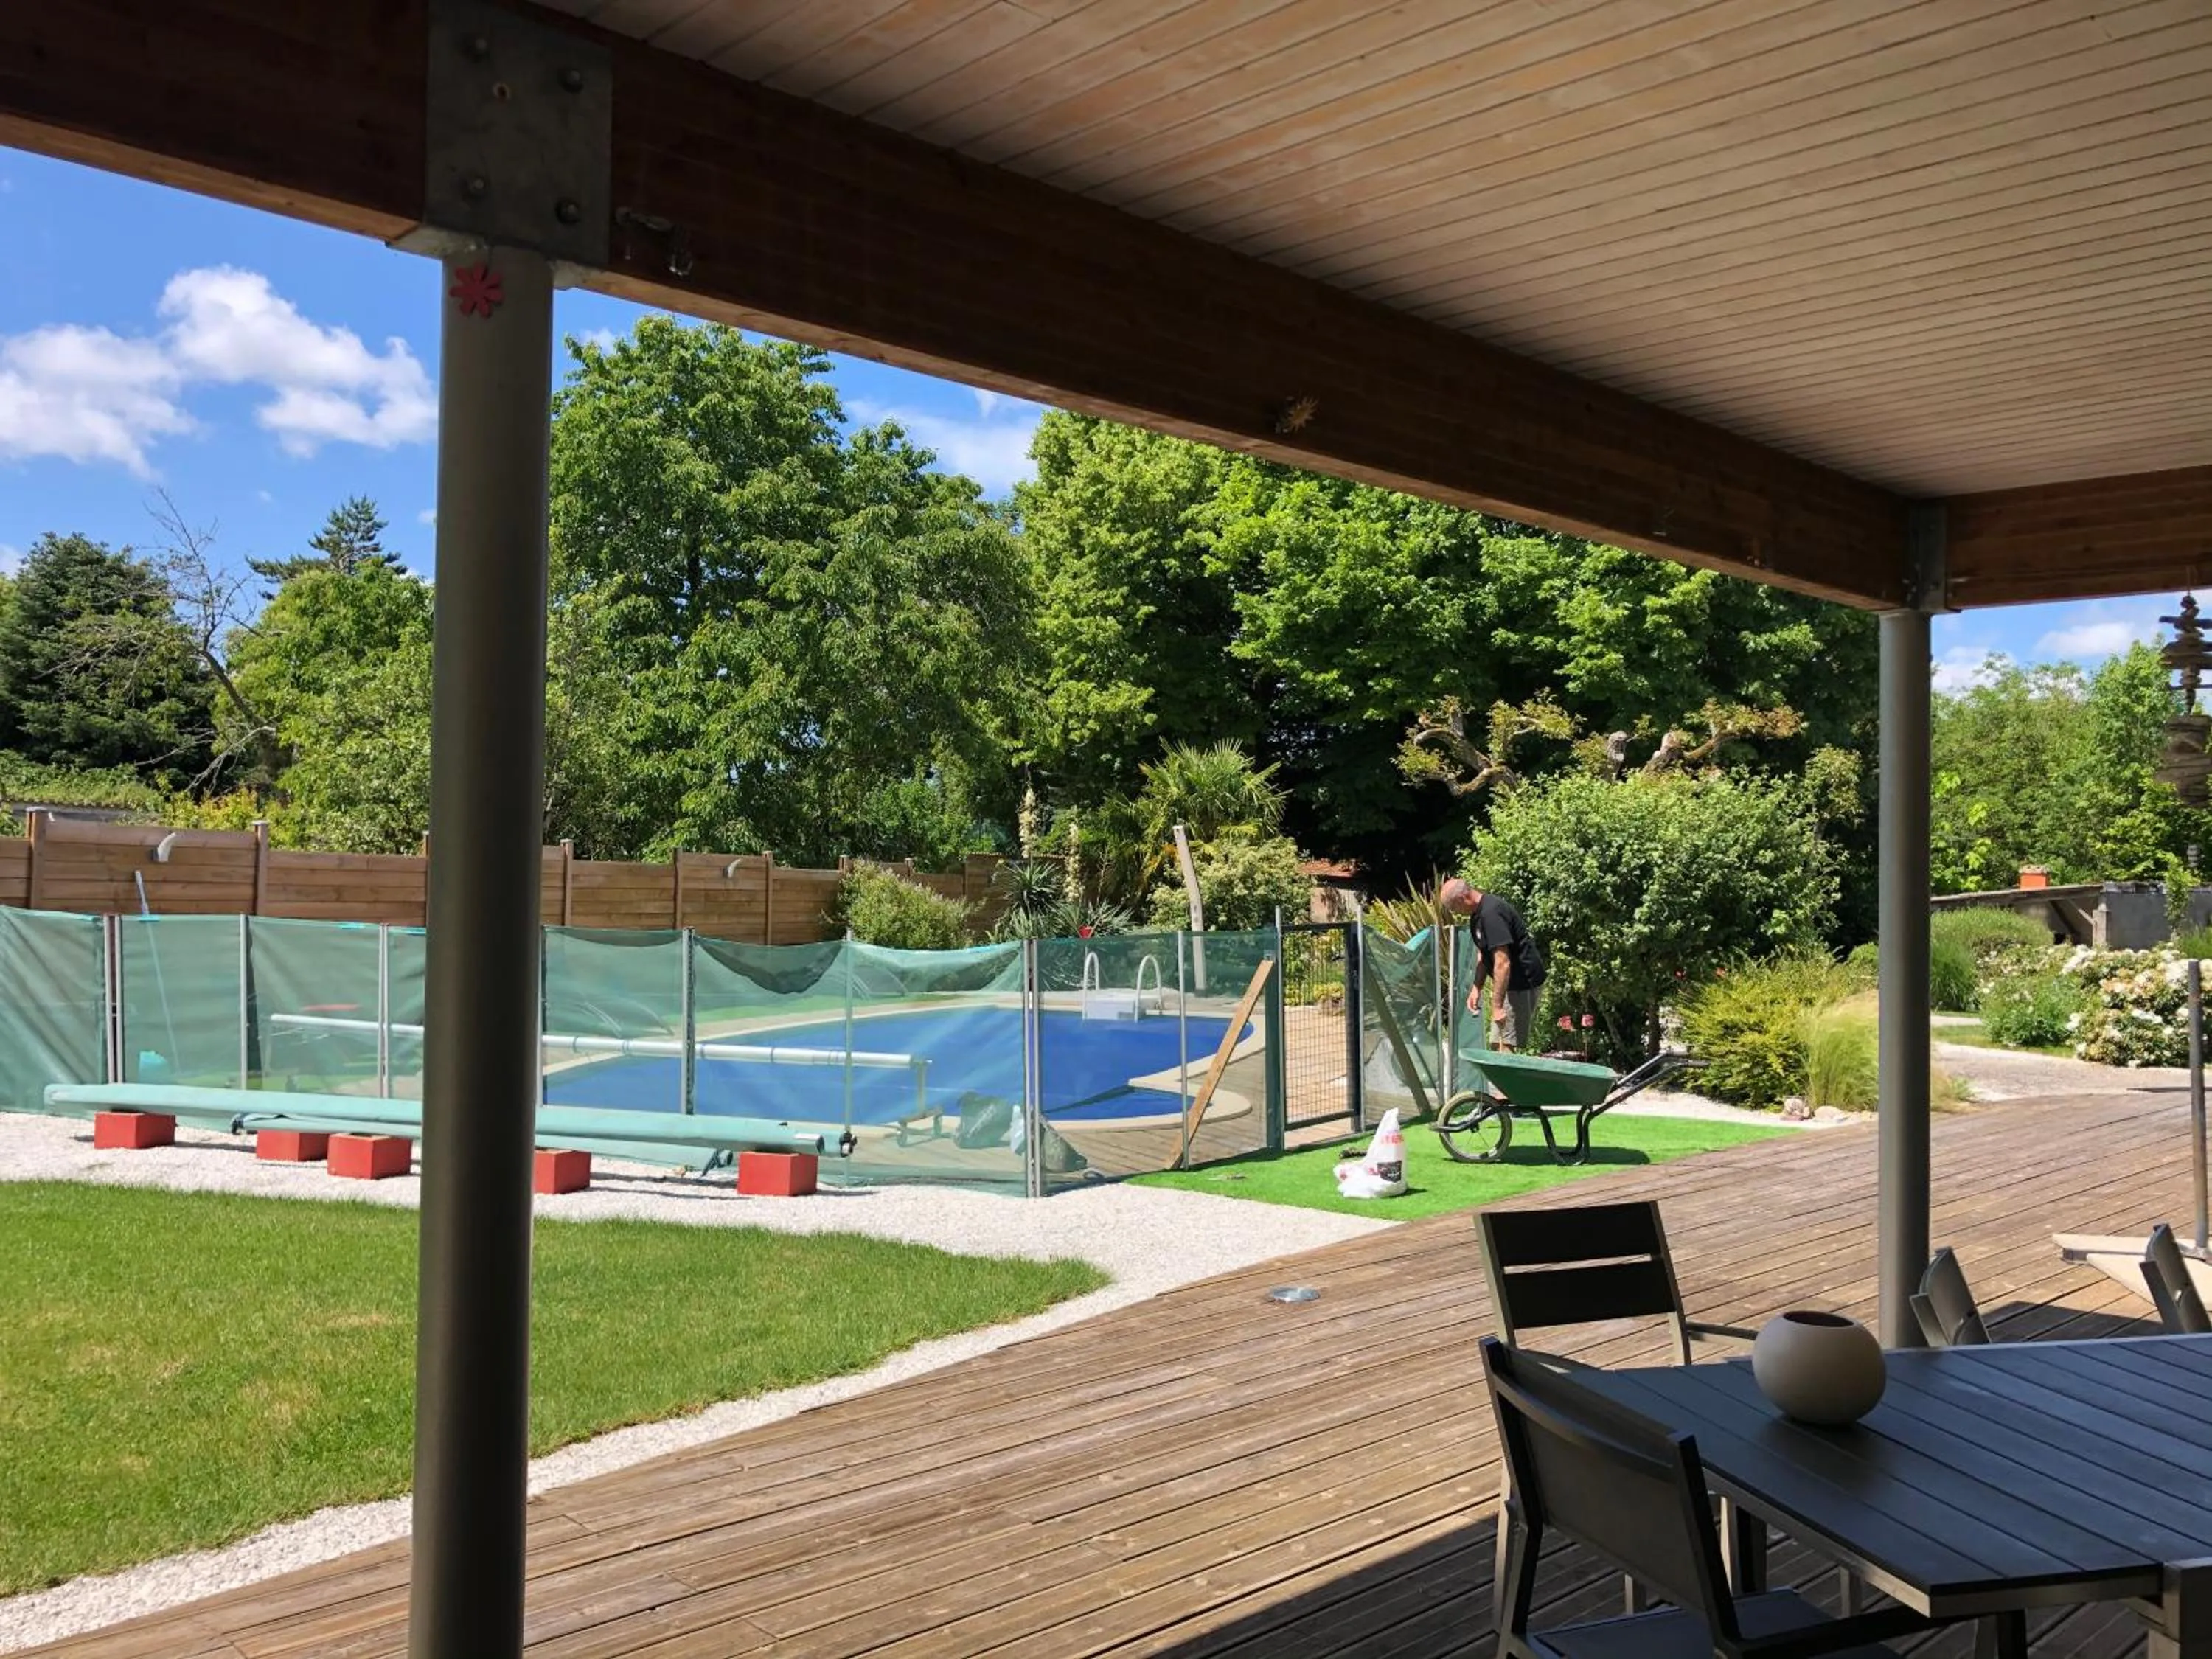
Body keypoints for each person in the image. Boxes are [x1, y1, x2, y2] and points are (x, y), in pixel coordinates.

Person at [1440, 877, 1545, 1051]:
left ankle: (1507, 1078)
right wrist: (1477, 987)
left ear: (1462, 899)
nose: (1455, 913)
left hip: (1521, 982)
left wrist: (1497, 1007)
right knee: (1498, 1043)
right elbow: (1484, 953)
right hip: (1511, 980)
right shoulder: (1477, 916)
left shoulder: (1492, 914)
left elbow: (1502, 963)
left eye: (1454, 908)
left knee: (1506, 1044)